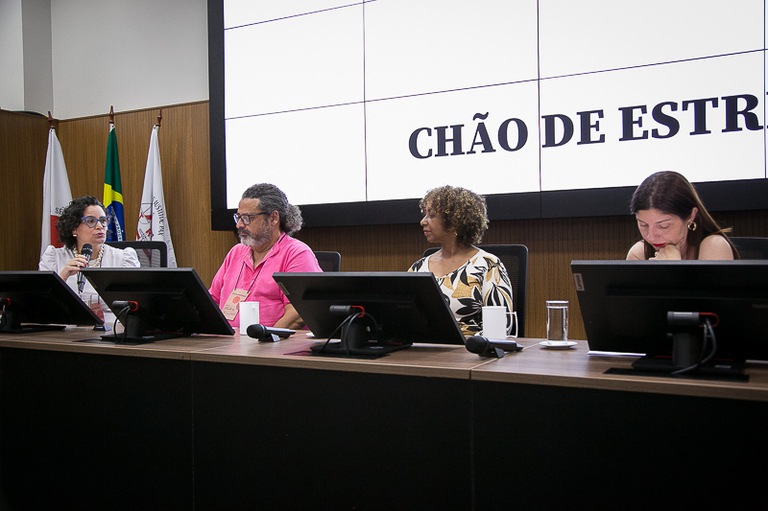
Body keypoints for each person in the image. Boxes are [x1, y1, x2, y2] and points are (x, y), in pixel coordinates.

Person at [209, 183, 321, 330]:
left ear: (273, 218)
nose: (239, 225)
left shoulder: (296, 253)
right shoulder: (236, 252)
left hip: (273, 343)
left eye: (247, 218)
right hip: (227, 341)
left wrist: (268, 337)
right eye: (239, 217)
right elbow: (212, 300)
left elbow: (298, 312)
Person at [408, 185, 514, 337]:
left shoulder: (488, 265)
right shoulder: (419, 267)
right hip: (425, 347)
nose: (423, 221)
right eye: (425, 214)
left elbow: (501, 325)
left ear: (454, 221)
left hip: (471, 348)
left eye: (432, 215)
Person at [39, 195, 141, 324]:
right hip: (67, 329)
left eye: (103, 220)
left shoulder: (123, 259)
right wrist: (62, 277)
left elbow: (134, 305)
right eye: (91, 221)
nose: (100, 226)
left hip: (112, 329)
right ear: (74, 228)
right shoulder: (54, 257)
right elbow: (42, 305)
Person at [627, 171, 738, 260]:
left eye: (664, 226)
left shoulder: (714, 246)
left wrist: (673, 268)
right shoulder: (639, 254)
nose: (650, 237)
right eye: (644, 225)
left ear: (691, 216)